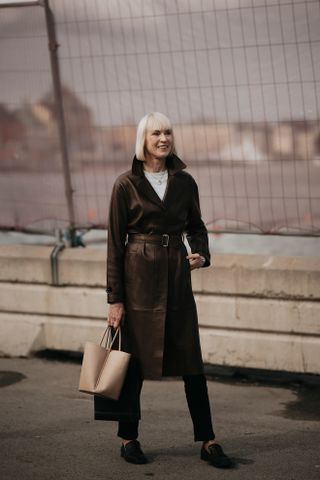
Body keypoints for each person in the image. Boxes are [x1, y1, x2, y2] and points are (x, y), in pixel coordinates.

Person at [106, 112, 232, 468]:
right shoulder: (125, 184)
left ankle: (208, 440)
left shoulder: (185, 181)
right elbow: (115, 244)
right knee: (132, 361)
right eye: (156, 133)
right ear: (143, 139)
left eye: (168, 132)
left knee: (192, 361)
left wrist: (201, 254)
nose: (164, 138)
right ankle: (128, 439)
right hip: (137, 280)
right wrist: (115, 298)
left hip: (177, 276)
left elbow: (197, 225)